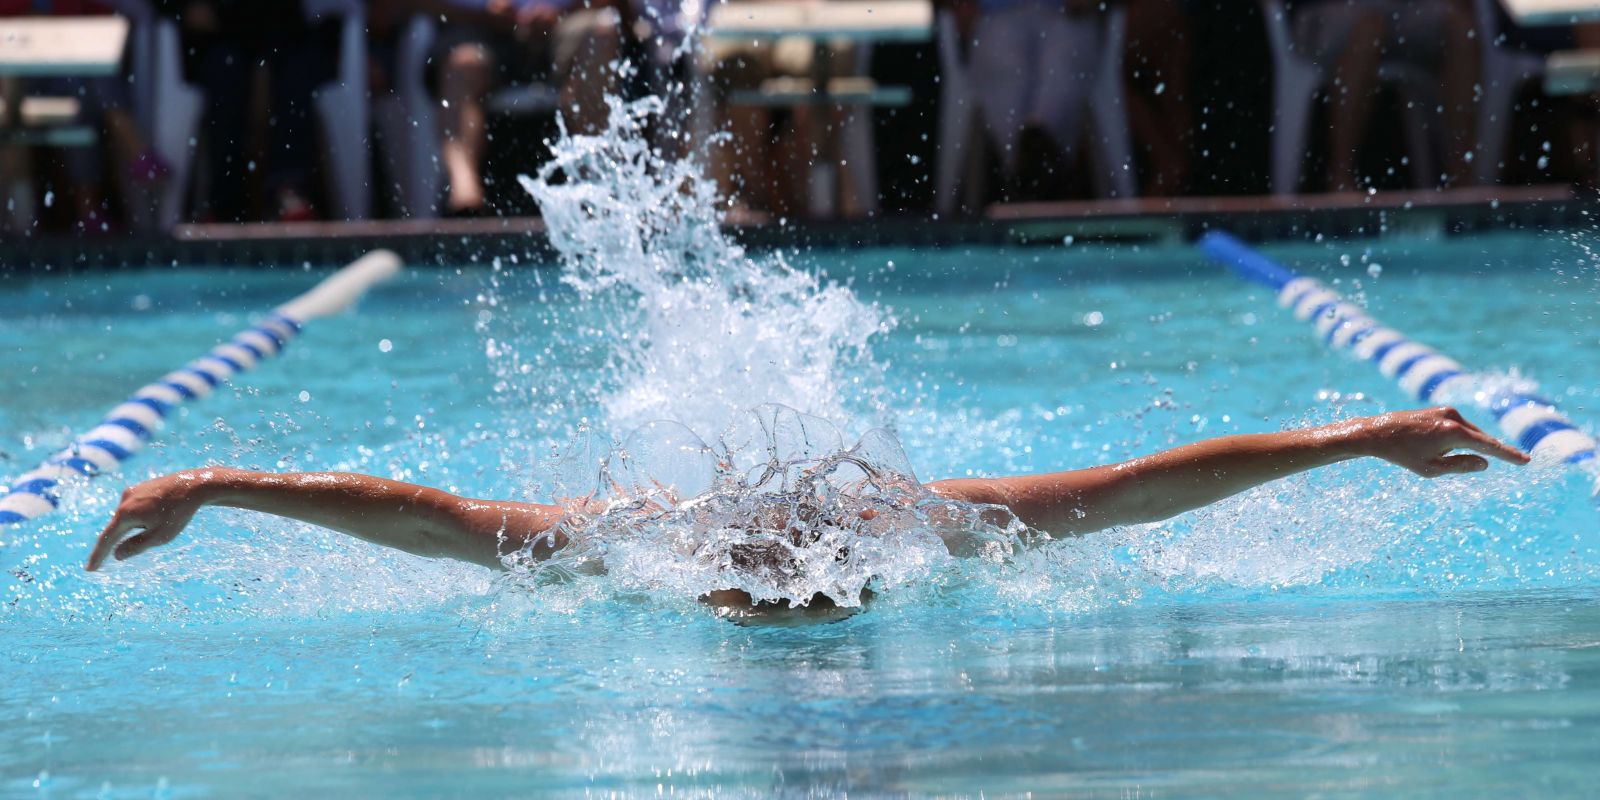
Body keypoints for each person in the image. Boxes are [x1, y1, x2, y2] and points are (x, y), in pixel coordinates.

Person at [88, 407, 1529, 617]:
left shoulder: (925, 528)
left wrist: (1364, 439)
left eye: (804, 569)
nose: (788, 594)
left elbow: (1151, 489)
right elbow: (426, 513)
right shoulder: (631, 543)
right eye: (763, 571)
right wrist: (209, 480)